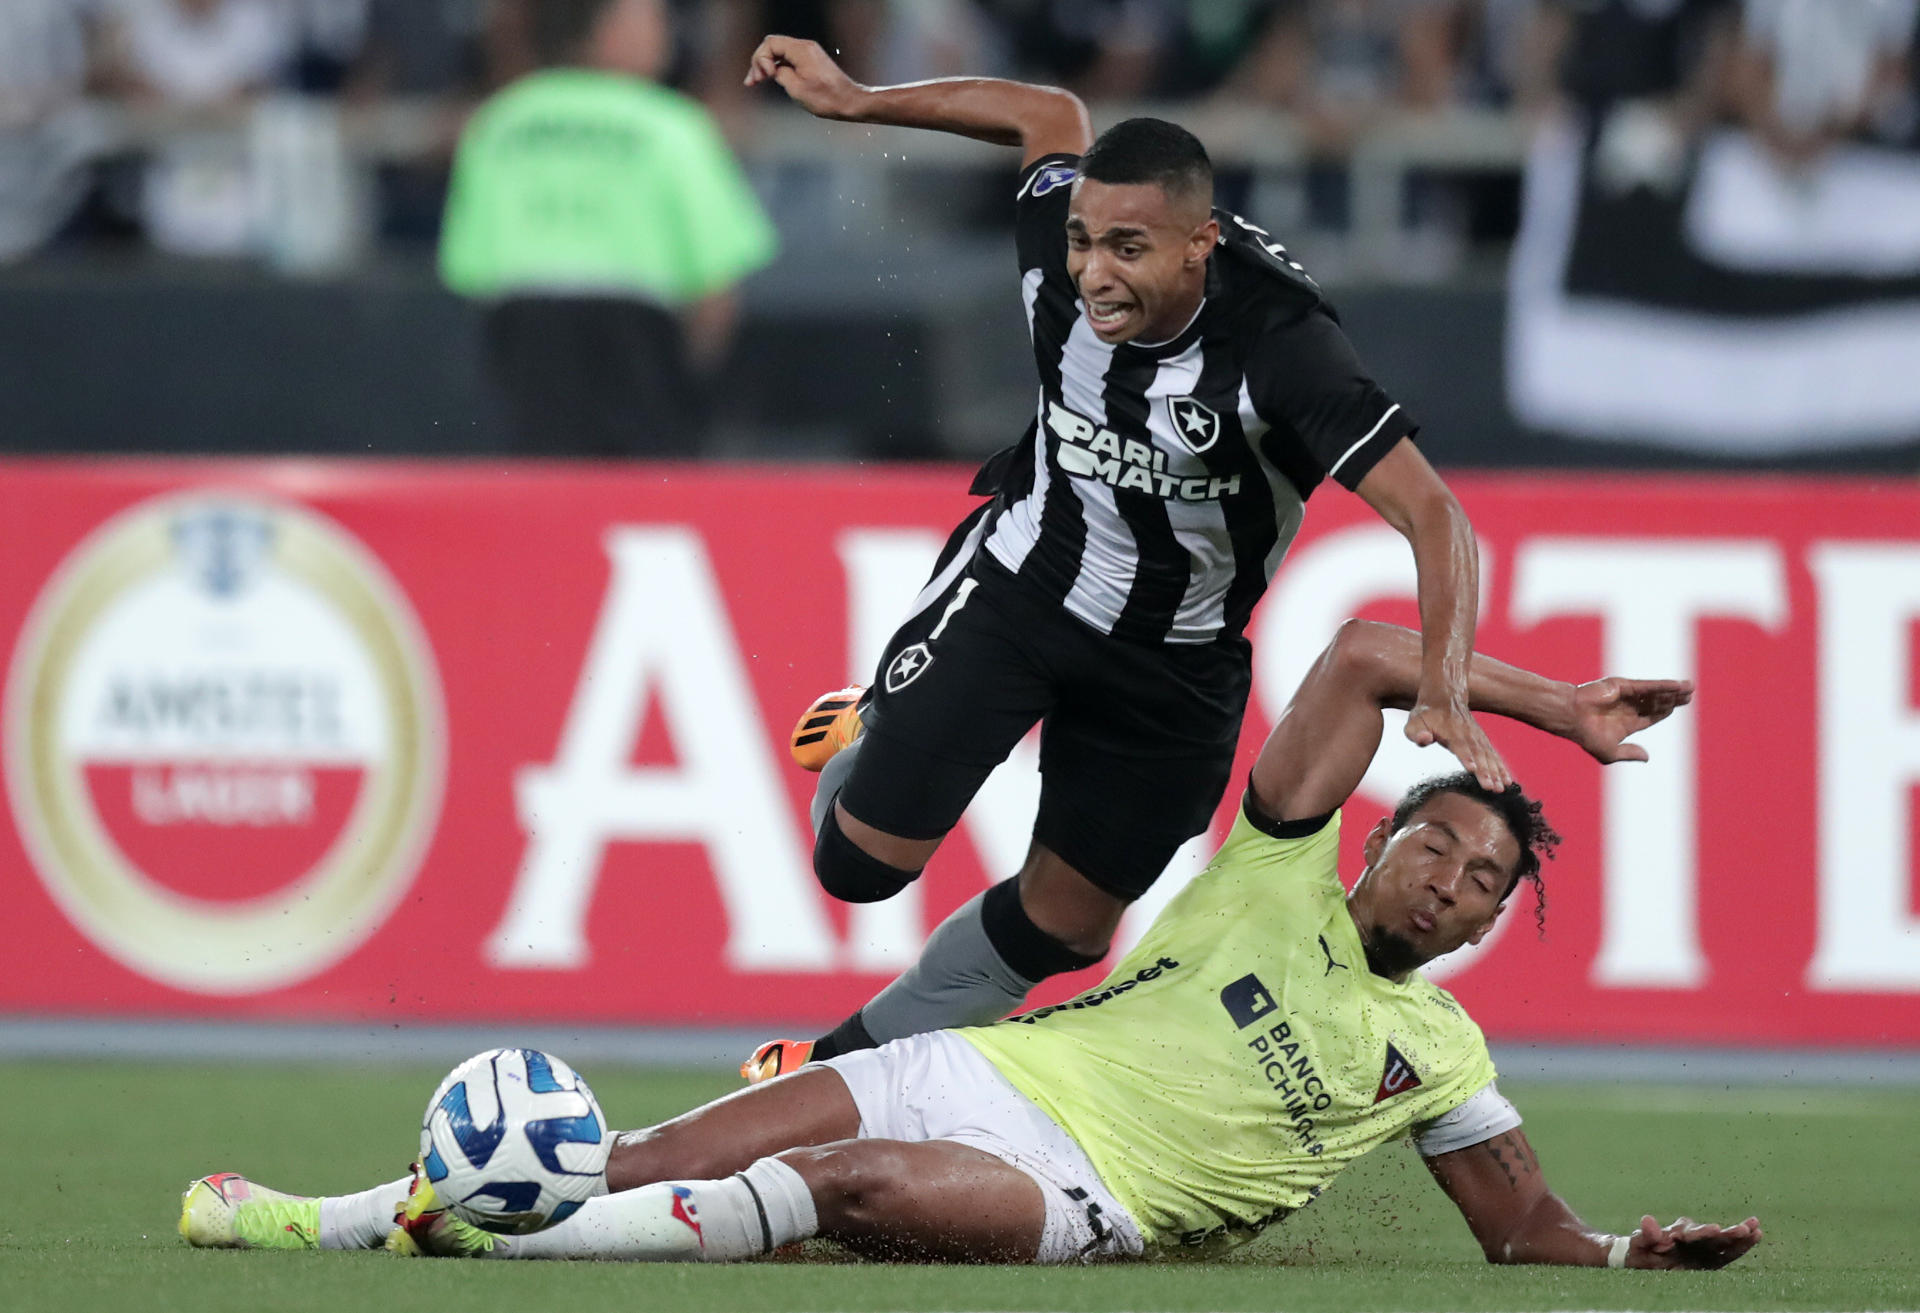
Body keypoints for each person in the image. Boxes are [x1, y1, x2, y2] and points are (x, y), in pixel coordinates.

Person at [178, 618, 1761, 1269]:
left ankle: (492, 1240)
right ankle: (326, 1220)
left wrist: (1630, 1254)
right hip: (978, 1067)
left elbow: (1522, 1230)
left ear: (1489, 923)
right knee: (642, 1147)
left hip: (1090, 1193)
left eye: (1483, 878)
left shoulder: (1442, 1058)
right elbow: (1358, 653)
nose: (1451, 878)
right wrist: (1531, 710)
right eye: (1439, 837)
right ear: (1386, 835)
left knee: (845, 1197)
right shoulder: (1275, 866)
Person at [740, 35, 1511, 1082]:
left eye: (1128, 250)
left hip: (1175, 659)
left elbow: (1436, 517)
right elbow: (1047, 114)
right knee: (859, 867)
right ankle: (866, 730)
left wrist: (1451, 678)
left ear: (1201, 245)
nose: (1095, 274)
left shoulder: (1282, 350)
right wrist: (857, 100)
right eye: (1081, 241)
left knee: (1067, 927)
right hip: (1023, 588)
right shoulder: (1068, 248)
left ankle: (823, 1071)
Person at [439, 0, 778, 457]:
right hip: (637, 351)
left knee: (534, 503)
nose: (666, 31)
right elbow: (716, 297)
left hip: (526, 352)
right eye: (652, 16)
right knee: (639, 508)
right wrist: (686, 385)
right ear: (604, 30)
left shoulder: (497, 125)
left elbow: (470, 276)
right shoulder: (673, 126)